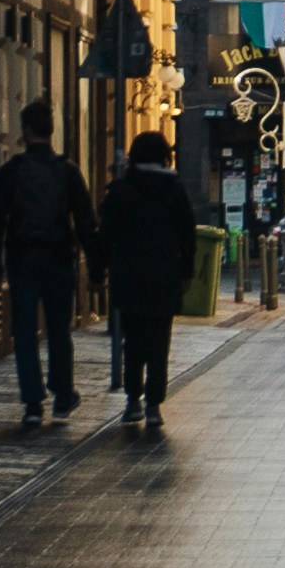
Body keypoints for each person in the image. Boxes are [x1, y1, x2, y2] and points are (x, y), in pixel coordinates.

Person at [0, 99, 101, 432]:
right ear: (50, 131)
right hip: (59, 260)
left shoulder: (12, 171)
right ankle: (63, 394)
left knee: (23, 333)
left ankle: (33, 404)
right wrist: (94, 268)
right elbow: (86, 221)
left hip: (21, 260)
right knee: (60, 331)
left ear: (26, 131)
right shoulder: (67, 170)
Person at [98, 128, 199, 431]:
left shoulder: (121, 189)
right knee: (159, 342)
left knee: (133, 341)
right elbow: (188, 235)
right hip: (164, 277)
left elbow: (107, 234)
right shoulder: (175, 190)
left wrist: (97, 268)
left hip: (128, 276)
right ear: (165, 157)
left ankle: (132, 401)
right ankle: (154, 404)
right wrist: (186, 272)